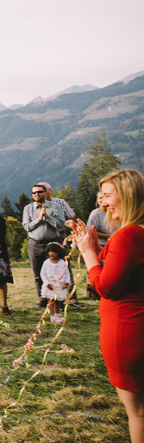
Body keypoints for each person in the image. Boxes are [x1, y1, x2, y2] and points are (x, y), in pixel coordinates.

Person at [73, 169, 144, 443]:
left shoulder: (128, 236)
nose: (101, 204)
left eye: (107, 196)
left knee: (137, 412)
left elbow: (105, 286)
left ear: (128, 195)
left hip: (128, 331)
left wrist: (89, 253)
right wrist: (87, 244)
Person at [37, 181, 81, 307]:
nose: (41, 193)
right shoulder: (35, 206)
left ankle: (71, 298)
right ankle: (45, 298)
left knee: (64, 265)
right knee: (44, 267)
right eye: (38, 191)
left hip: (59, 236)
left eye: (43, 190)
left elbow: (70, 218)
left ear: (49, 191)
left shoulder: (60, 202)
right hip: (42, 237)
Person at [22, 183, 65, 307]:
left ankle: (58, 299)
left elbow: (61, 225)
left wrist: (47, 217)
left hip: (52, 243)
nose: (36, 194)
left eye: (39, 192)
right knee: (38, 273)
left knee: (55, 272)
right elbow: (27, 227)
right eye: (34, 192)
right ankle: (43, 298)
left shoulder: (55, 207)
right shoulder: (28, 209)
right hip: (35, 244)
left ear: (45, 193)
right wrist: (39, 219)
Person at [40, 242, 70, 323]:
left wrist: (67, 282)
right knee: (50, 300)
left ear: (58, 253)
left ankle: (57, 314)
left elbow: (67, 273)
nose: (51, 253)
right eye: (49, 251)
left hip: (59, 284)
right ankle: (52, 316)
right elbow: (42, 274)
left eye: (54, 252)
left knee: (57, 300)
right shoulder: (46, 262)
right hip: (50, 284)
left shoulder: (62, 263)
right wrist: (46, 283)